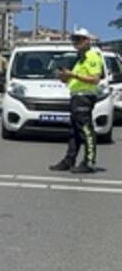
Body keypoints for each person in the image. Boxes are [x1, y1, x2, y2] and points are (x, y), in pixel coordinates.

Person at [50, 29, 106, 174]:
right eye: (74, 39)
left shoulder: (92, 56)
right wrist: (65, 77)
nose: (76, 42)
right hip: (76, 96)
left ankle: (89, 162)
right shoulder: (80, 58)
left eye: (80, 39)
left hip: (85, 97)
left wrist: (73, 75)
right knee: (74, 131)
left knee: (86, 130)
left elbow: (95, 79)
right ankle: (69, 160)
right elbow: (75, 78)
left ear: (88, 40)